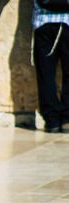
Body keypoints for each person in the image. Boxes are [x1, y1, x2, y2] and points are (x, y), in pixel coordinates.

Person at [32, 1, 69, 133]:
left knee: (45, 74)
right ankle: (67, 119)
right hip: (67, 22)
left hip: (43, 21)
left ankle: (51, 120)